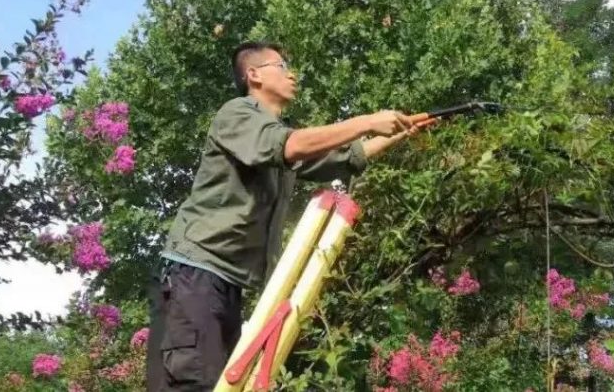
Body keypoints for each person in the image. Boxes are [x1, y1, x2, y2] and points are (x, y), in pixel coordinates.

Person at [146, 40, 422, 391]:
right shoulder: (237, 114)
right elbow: (291, 145)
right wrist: (367, 120)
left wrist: (398, 132)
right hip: (195, 276)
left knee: (224, 384)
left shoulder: (277, 137)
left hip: (225, 285)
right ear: (254, 75)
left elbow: (341, 158)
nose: (292, 74)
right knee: (195, 382)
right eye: (282, 65)